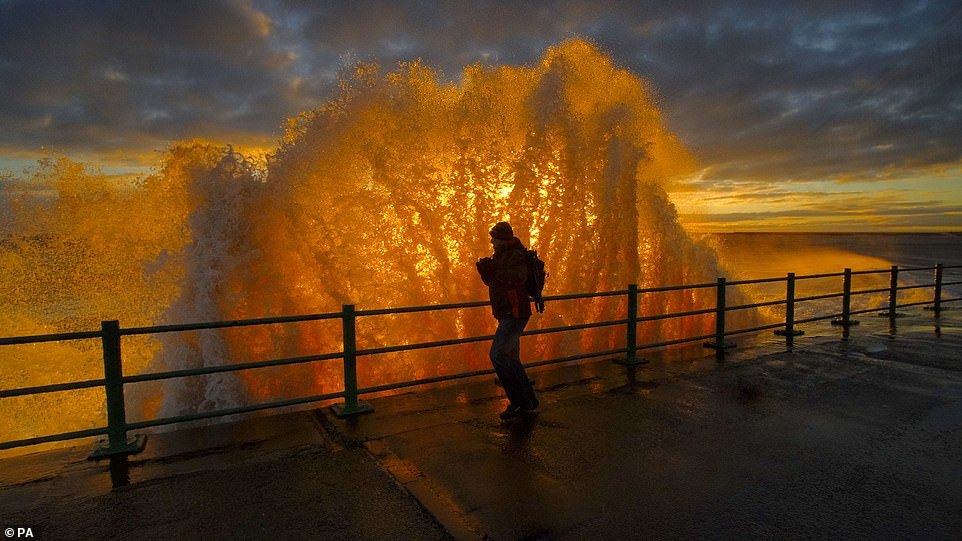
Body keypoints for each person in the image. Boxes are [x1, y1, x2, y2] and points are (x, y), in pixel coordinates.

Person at [476, 221, 539, 420]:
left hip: (515, 312)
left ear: (502, 239)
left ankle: (518, 403)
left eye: (494, 238)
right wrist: (486, 272)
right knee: (511, 358)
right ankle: (529, 400)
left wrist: (494, 269)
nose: (491, 241)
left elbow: (518, 277)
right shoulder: (502, 254)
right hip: (509, 312)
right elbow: (495, 281)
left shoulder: (515, 254)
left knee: (498, 356)